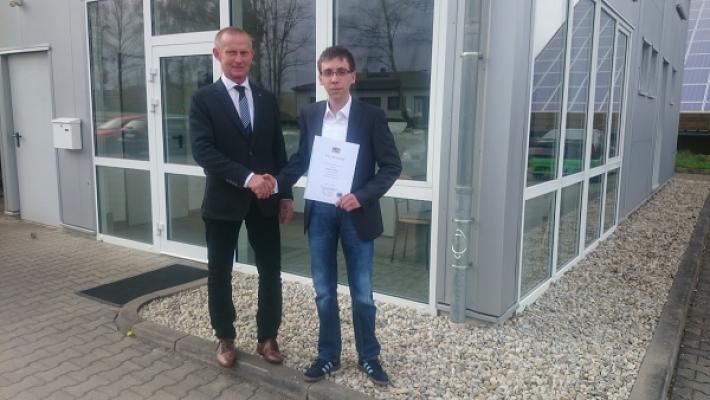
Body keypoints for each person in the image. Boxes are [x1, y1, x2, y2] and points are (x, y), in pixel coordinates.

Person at [276, 45, 402, 386]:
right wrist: (276, 183)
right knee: (323, 291)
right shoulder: (310, 114)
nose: (334, 78)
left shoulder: (371, 117)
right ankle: (328, 354)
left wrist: (361, 196)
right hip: (319, 213)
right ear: (320, 78)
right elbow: (302, 158)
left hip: (356, 215)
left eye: (340, 71)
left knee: (362, 293)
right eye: (328, 72)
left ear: (352, 77)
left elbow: (391, 166)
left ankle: (369, 356)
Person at [190, 27, 294, 368]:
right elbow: (204, 151)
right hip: (223, 202)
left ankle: (268, 337)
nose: (238, 59)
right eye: (231, 52)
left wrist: (285, 194)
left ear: (252, 55)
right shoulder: (203, 100)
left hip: (265, 202)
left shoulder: (265, 98)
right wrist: (249, 178)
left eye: (244, 52)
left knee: (271, 271)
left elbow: (278, 149)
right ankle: (225, 336)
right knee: (220, 273)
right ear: (217, 54)